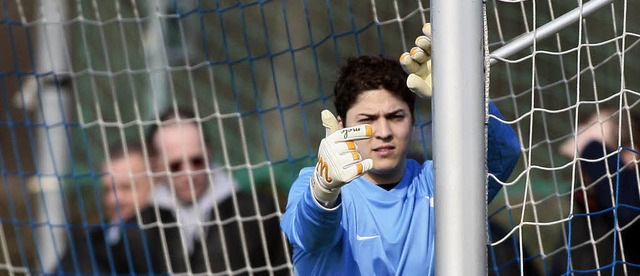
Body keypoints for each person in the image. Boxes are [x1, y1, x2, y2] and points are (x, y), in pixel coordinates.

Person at [280, 23, 521, 275]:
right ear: (341, 126)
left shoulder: (437, 184)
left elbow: (503, 152)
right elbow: (309, 236)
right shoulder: (315, 186)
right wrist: (324, 191)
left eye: (395, 116)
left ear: (413, 120)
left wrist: (461, 88)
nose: (383, 132)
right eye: (367, 120)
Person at [146, 108, 289, 275]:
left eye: (197, 161)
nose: (189, 174)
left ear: (209, 152)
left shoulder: (257, 213)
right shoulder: (143, 227)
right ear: (156, 166)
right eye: (176, 166)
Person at [553, 107, 640, 275]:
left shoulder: (629, 214)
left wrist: (590, 147)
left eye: (598, 150)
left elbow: (626, 210)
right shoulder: (581, 217)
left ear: (630, 155)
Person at [57, 141, 161, 274]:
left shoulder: (171, 237)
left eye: (126, 187)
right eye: (108, 190)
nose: (115, 199)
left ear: (153, 183)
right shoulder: (86, 245)